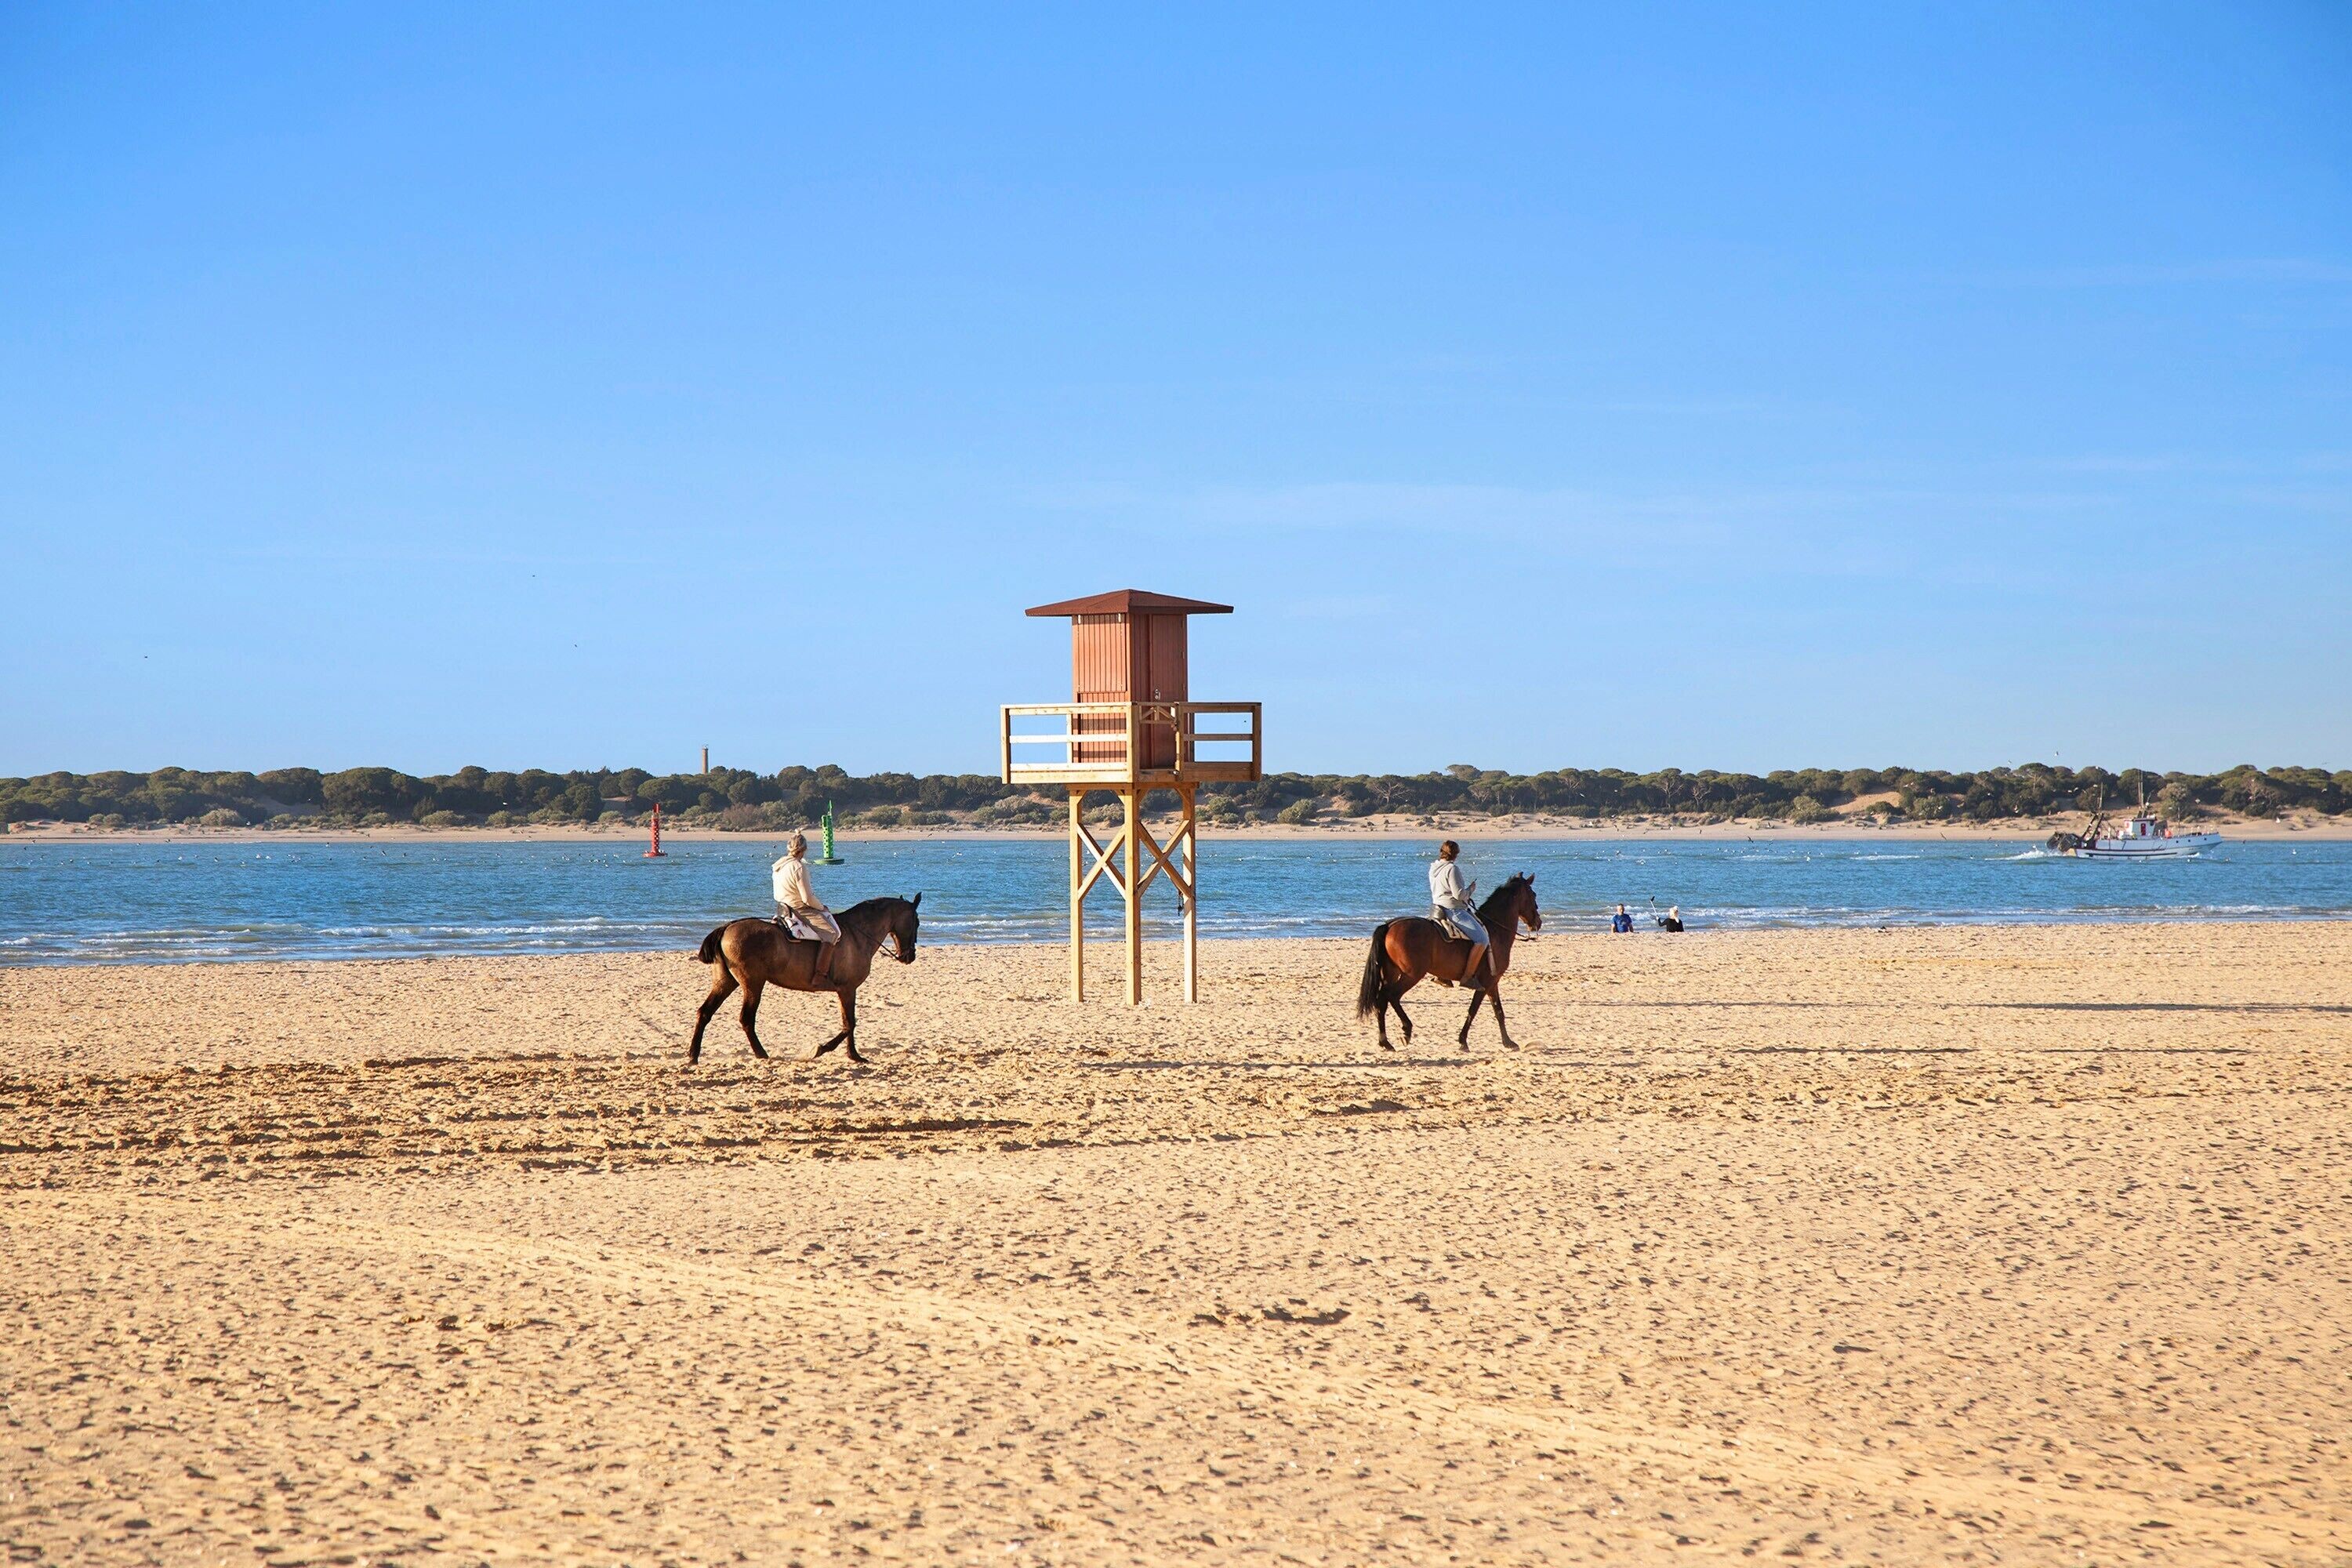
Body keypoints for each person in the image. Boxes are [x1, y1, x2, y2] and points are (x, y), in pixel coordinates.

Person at [1428, 840, 1488, 985]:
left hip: (1437, 909)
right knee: (1482, 940)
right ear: (1455, 855)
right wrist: (1471, 889)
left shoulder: (1433, 868)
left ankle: (1441, 973)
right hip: (1454, 910)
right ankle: (1467, 977)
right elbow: (1459, 895)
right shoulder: (1452, 869)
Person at [771, 833, 841, 951]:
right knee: (833, 933)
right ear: (804, 850)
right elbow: (807, 899)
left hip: (782, 908)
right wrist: (821, 907)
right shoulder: (798, 867)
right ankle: (821, 970)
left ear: (789, 847)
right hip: (798, 909)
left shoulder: (779, 865)